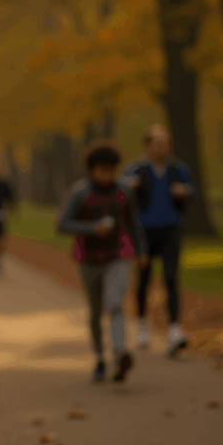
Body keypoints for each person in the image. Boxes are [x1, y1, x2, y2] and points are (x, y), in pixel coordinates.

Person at [57, 142, 149, 383]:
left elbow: (134, 223)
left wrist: (141, 251)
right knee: (96, 311)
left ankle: (119, 354)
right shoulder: (79, 192)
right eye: (102, 170)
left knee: (115, 303)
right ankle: (99, 357)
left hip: (118, 255)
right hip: (88, 259)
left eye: (111, 170)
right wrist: (91, 228)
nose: (106, 175)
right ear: (92, 169)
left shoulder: (124, 191)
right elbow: (62, 224)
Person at [122, 124, 194, 358]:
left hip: (171, 229)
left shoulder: (177, 168)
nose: (163, 147)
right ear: (147, 145)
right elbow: (120, 190)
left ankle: (174, 328)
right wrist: (129, 187)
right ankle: (142, 324)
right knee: (144, 279)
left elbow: (191, 189)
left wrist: (184, 191)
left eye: (166, 143)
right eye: (158, 143)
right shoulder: (135, 168)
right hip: (143, 231)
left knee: (171, 278)